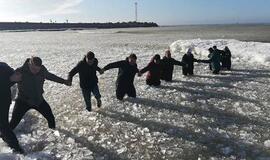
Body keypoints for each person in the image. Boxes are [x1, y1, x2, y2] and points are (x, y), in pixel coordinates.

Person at [9, 57, 70, 131]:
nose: (36, 71)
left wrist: (64, 81)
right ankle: (4, 136)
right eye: (34, 69)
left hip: (38, 100)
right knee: (13, 123)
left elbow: (51, 77)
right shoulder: (20, 71)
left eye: (38, 69)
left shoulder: (42, 71)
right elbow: (9, 82)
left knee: (50, 117)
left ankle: (53, 131)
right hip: (23, 101)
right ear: (29, 64)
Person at [0, 62, 24, 154]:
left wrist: (9, 80)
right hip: (5, 99)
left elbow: (17, 77)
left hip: (3, 101)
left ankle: (17, 149)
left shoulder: (3, 67)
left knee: (4, 126)